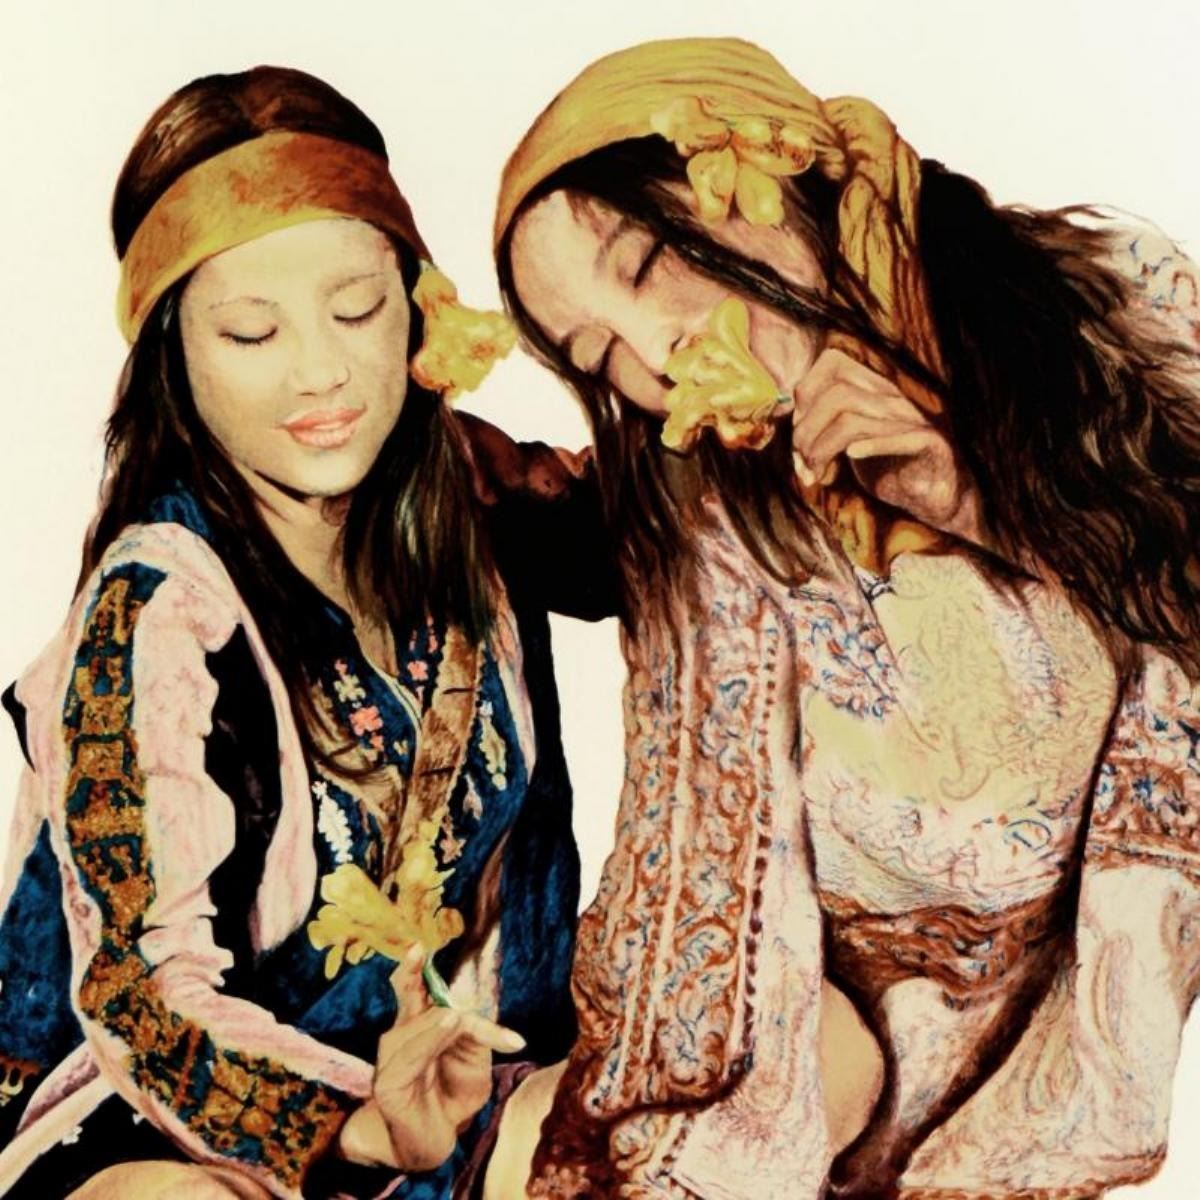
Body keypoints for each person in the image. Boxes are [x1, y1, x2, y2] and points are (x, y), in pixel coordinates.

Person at [491, 36, 1200, 1199]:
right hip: (790, 1096)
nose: (658, 353)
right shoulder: (697, 507)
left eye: (651, 261)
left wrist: (972, 496)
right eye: (596, 352)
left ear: (771, 165)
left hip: (1025, 1115)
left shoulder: (1109, 310)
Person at [0, 65, 615, 1200]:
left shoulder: (475, 493)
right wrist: (363, 1132)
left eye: (357, 310)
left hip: (476, 1089)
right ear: (176, 356)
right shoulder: (155, 613)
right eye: (251, 332)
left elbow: (691, 535)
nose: (321, 372)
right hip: (194, 1132)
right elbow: (146, 998)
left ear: (418, 308)